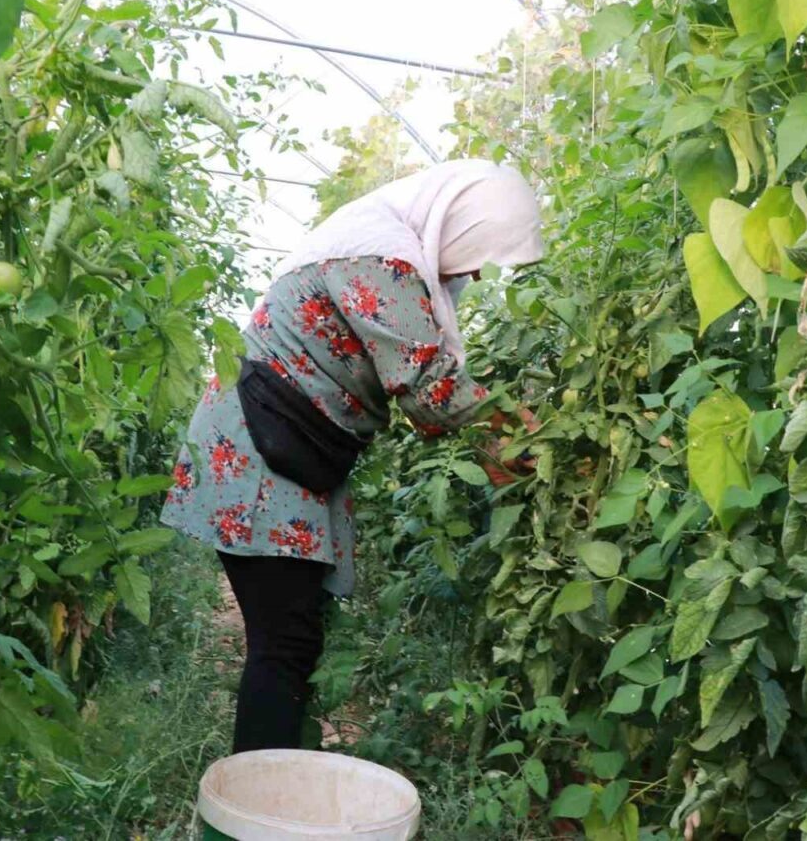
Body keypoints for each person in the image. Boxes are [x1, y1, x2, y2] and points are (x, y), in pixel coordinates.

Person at [160, 159, 545, 753]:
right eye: (478, 250)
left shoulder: (390, 251)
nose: (472, 268)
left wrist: (490, 437)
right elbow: (427, 385)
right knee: (284, 643)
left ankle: (275, 785)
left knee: (293, 639)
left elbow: (424, 398)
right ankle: (260, 805)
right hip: (261, 449)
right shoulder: (378, 256)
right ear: (462, 223)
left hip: (291, 447)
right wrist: (519, 431)